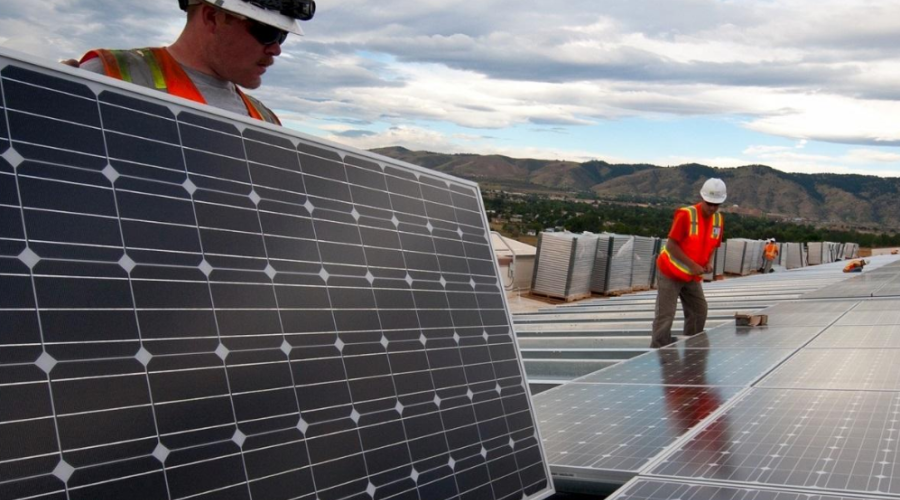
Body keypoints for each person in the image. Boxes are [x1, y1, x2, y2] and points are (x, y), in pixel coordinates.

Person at [66, 0, 315, 124]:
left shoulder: (265, 120)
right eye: (267, 32)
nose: (276, 49)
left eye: (282, 36)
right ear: (211, 17)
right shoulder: (108, 76)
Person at [650, 178, 726, 348]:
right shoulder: (686, 215)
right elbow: (671, 246)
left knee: (699, 311)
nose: (712, 208)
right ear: (702, 198)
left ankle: (691, 347)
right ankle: (658, 353)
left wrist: (708, 263)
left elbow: (714, 244)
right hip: (671, 271)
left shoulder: (718, 220)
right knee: (665, 316)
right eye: (709, 204)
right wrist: (692, 265)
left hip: (692, 275)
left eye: (716, 205)